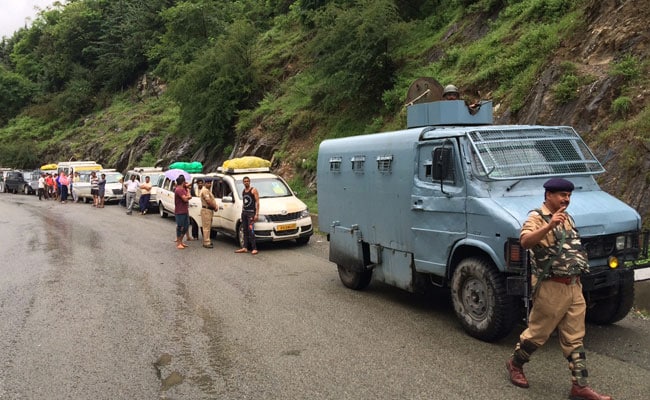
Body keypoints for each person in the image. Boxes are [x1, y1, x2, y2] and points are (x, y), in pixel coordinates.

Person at [505, 178, 612, 400]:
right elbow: (525, 242)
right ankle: (515, 364)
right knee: (537, 334)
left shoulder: (568, 218)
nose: (566, 199)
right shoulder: (536, 217)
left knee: (575, 338)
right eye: (562, 195)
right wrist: (550, 225)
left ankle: (580, 386)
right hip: (551, 287)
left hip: (574, 286)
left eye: (569, 195)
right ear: (548, 195)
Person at [235, 176, 259, 255]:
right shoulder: (243, 191)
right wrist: (242, 212)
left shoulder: (253, 190)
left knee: (250, 230)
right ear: (243, 182)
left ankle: (254, 248)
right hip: (244, 213)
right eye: (245, 181)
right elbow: (244, 203)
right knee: (244, 230)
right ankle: (245, 247)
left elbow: (257, 202)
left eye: (247, 181)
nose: (246, 182)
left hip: (251, 213)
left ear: (250, 181)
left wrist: (256, 214)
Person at [199, 178, 218, 248]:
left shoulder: (207, 190)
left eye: (210, 183)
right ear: (205, 183)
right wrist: (215, 207)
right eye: (208, 183)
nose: (209, 184)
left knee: (208, 226)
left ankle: (207, 240)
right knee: (206, 227)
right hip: (206, 210)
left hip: (209, 210)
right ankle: (206, 242)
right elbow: (208, 201)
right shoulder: (205, 191)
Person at [174, 175, 192, 250]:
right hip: (179, 211)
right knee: (180, 227)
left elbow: (188, 197)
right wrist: (188, 195)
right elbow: (185, 199)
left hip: (185, 210)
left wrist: (187, 192)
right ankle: (178, 242)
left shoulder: (183, 189)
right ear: (183, 182)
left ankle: (181, 241)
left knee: (186, 226)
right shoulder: (178, 190)